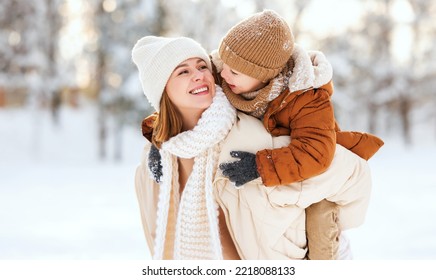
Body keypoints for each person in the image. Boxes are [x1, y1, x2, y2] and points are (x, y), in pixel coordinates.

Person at [132, 35, 373, 260]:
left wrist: (263, 167)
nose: (199, 75)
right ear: (162, 91)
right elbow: (157, 241)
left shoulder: (250, 135)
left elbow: (349, 173)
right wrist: (159, 143)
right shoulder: (152, 166)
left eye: (202, 66)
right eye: (183, 71)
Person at [210, 10, 384, 259]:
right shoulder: (229, 70)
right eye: (223, 66)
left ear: (263, 75)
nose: (224, 75)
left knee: (319, 224)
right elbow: (187, 99)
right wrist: (158, 133)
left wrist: (261, 167)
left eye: (234, 72)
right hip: (279, 186)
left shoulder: (307, 97)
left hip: (312, 178)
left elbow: (315, 151)